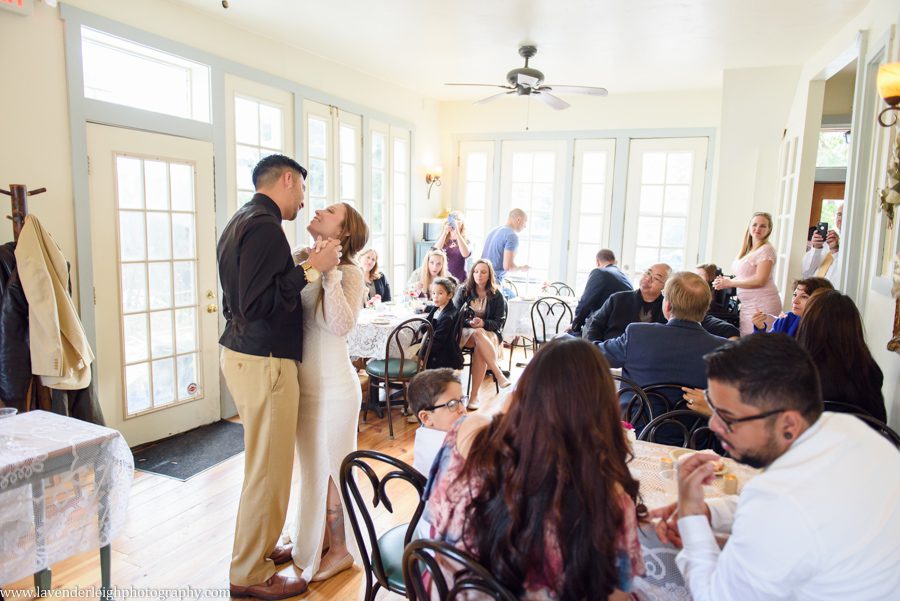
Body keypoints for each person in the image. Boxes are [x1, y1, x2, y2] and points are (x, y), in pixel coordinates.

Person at [651, 334, 900, 601]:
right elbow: (791, 509)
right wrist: (710, 512)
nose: (713, 425)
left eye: (728, 418)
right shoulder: (850, 430)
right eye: (713, 408)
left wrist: (692, 519)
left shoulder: (780, 498)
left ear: (788, 425)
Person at [422, 337, 646, 599]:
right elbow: (615, 593)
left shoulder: (468, 434)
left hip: (444, 589)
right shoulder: (608, 501)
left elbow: (433, 519)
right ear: (602, 412)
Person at [218, 154, 340, 599]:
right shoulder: (267, 226)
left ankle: (261, 549)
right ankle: (249, 573)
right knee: (268, 471)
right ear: (288, 180)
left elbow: (246, 296)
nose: (304, 201)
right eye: (303, 189)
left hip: (243, 354)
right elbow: (258, 303)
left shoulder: (239, 220)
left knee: (264, 464)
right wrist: (312, 270)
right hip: (264, 358)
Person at [282, 201, 369, 583]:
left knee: (333, 468)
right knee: (311, 466)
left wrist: (329, 273)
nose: (317, 209)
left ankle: (340, 549)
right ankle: (310, 538)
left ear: (344, 231)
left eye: (329, 210)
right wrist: (312, 266)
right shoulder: (300, 258)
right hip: (303, 385)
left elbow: (340, 326)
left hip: (336, 388)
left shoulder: (352, 272)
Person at [595, 272, 728, 440]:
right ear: (706, 309)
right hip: (695, 444)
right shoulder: (724, 350)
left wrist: (565, 340)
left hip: (636, 437)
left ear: (667, 306)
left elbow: (594, 356)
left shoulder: (639, 334)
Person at [796, 289, 887, 421]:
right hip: (859, 438)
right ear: (853, 329)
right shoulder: (870, 370)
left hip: (810, 438)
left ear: (808, 326)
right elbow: (880, 421)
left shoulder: (796, 370)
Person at [454, 259, 511, 409]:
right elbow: (453, 316)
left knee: (480, 342)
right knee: (478, 334)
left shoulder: (497, 295)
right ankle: (497, 374)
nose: (479, 275)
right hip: (465, 333)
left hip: (489, 332)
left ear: (489, 275)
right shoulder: (463, 291)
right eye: (476, 271)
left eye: (483, 272)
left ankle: (474, 396)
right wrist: (469, 323)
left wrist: (484, 323)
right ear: (472, 273)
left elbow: (499, 323)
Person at [713, 212, 782, 336]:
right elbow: (744, 276)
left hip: (762, 304)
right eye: (755, 224)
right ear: (749, 227)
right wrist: (723, 282)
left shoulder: (766, 249)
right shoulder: (748, 250)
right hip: (747, 304)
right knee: (747, 340)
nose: (757, 228)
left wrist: (730, 283)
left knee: (757, 342)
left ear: (769, 229)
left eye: (763, 226)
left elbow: (760, 280)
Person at [582, 263, 671, 342]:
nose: (647, 278)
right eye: (648, 273)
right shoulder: (617, 299)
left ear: (665, 286)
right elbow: (595, 326)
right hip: (610, 353)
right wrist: (597, 351)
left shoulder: (667, 309)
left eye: (656, 278)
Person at [407, 368, 468, 476]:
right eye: (452, 404)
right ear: (426, 418)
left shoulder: (424, 431)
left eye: (462, 400)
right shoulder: (452, 449)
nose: (462, 409)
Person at [568, 249, 633, 335]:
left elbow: (586, 302)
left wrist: (575, 325)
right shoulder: (625, 276)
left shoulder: (599, 272)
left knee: (566, 338)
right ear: (614, 261)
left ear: (597, 262)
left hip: (602, 327)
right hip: (623, 328)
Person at [751, 276, 833, 336]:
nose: (795, 301)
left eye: (804, 296)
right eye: (794, 295)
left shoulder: (827, 328)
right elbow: (764, 348)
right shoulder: (785, 320)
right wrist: (760, 328)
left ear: (820, 300)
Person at [422, 277, 464, 370]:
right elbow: (424, 327)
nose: (435, 296)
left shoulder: (447, 317)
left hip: (441, 356)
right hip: (436, 347)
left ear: (449, 295)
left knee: (408, 354)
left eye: (440, 293)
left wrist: (420, 353)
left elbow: (437, 342)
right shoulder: (438, 306)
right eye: (433, 293)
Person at [481, 208, 529, 282]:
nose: (525, 226)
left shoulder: (494, 230)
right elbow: (508, 267)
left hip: (481, 279)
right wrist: (521, 268)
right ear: (518, 219)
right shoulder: (512, 236)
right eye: (525, 221)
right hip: (494, 281)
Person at [802, 203, 842, 283]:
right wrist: (816, 248)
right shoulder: (826, 243)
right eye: (839, 214)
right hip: (814, 291)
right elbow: (807, 273)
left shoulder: (854, 247)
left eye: (845, 215)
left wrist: (835, 250)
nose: (840, 219)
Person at [433, 210, 472, 282]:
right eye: (453, 220)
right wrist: (445, 233)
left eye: (458, 220)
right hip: (443, 279)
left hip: (460, 279)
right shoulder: (443, 238)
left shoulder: (466, 240)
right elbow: (434, 252)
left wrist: (457, 233)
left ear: (462, 224)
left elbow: (465, 254)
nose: (454, 222)